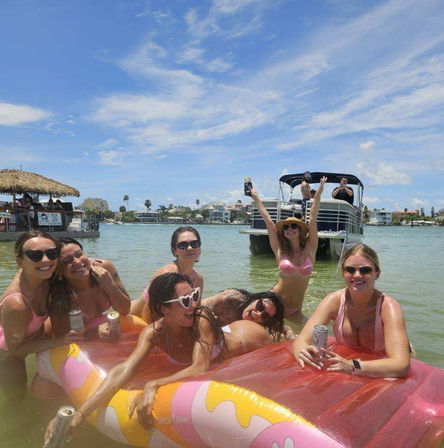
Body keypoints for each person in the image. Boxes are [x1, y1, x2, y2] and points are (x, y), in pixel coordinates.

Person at [43, 273, 272, 444]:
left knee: (277, 341)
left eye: (194, 296)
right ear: (164, 309)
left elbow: (200, 367)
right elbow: (124, 369)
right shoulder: (153, 333)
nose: (193, 305)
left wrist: (155, 383)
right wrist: (80, 415)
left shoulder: (201, 318)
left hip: (247, 341)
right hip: (226, 345)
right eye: (184, 301)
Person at [292, 244, 410, 378]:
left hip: (379, 366)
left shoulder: (388, 307)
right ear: (343, 273)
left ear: (377, 274)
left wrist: (353, 366)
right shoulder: (333, 301)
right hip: (348, 362)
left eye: (365, 270)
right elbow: (301, 341)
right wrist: (302, 351)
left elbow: (401, 365)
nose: (357, 275)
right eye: (350, 270)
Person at [0, 232, 81, 401]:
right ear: (20, 261)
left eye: (51, 253)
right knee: (17, 398)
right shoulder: (17, 304)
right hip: (6, 355)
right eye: (35, 256)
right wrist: (60, 341)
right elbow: (15, 350)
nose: (45, 260)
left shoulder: (43, 277)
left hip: (29, 338)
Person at [250, 177, 327, 327]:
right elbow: (269, 222)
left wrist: (318, 194)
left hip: (294, 309)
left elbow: (312, 219)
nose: (289, 229)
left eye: (293, 226)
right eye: (285, 227)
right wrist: (256, 198)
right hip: (273, 303)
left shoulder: (310, 249)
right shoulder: (280, 250)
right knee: (261, 337)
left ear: (299, 230)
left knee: (312, 333)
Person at [48, 238, 131, 337]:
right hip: (71, 332)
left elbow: (125, 310)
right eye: (67, 261)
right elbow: (62, 335)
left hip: (97, 325)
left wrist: (109, 285)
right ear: (59, 270)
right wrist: (96, 331)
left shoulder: (105, 268)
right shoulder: (59, 293)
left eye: (79, 255)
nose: (77, 262)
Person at [130, 226, 204, 323]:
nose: (190, 248)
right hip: (133, 318)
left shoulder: (198, 278)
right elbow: (148, 317)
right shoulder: (168, 274)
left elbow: (194, 310)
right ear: (174, 251)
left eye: (195, 244)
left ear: (199, 248)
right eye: (183, 245)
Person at [203, 289, 290, 340]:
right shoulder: (228, 300)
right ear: (255, 299)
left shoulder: (259, 323)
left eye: (265, 316)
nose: (258, 314)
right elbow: (196, 308)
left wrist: (292, 338)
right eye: (260, 306)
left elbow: (284, 328)